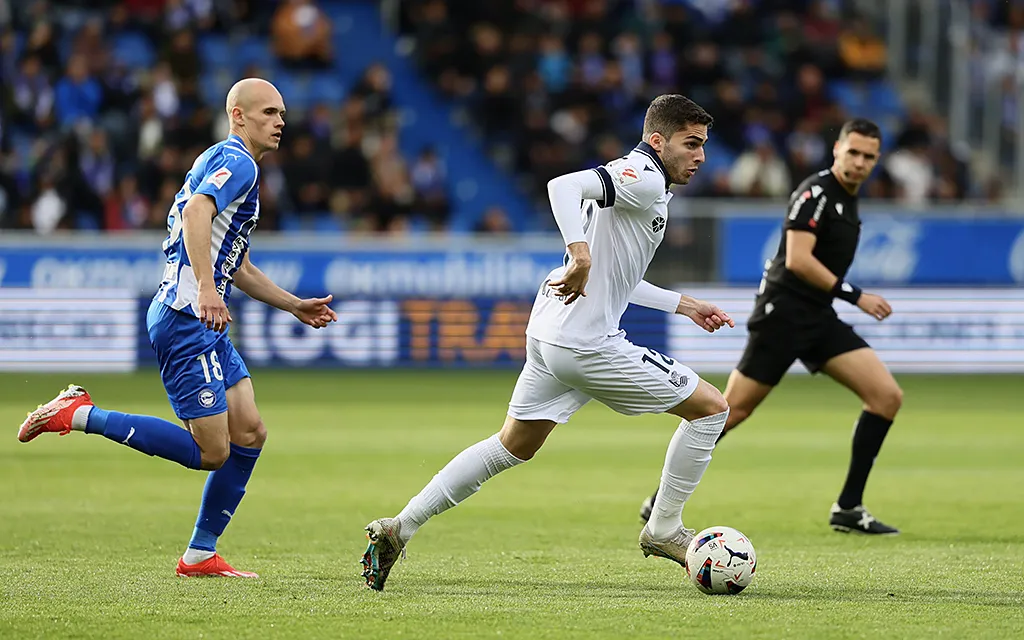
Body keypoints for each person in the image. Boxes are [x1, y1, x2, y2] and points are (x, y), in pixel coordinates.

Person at [360, 95, 736, 591]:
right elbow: (561, 185)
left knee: (511, 445)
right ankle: (664, 529)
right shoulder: (642, 177)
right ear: (658, 140)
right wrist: (579, 255)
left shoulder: (643, 182)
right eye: (691, 144)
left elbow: (617, 276)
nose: (701, 156)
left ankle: (400, 526)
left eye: (703, 144)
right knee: (711, 409)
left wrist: (682, 304)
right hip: (586, 344)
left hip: (549, 334)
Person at [17, 78, 338, 577]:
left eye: (282, 114)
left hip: (200, 318)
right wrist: (208, 288)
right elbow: (195, 212)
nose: (280, 122)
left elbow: (238, 265)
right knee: (212, 451)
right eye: (269, 112)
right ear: (238, 115)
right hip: (188, 318)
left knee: (249, 431)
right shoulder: (240, 163)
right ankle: (79, 414)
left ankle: (200, 554)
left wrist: (293, 305)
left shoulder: (220, 161)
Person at [639, 118, 902, 535]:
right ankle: (660, 499)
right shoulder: (816, 193)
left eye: (868, 156)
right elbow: (798, 260)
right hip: (783, 315)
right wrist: (857, 296)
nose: (859, 162)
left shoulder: (848, 199)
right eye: (853, 152)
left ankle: (849, 508)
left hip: (818, 317)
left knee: (886, 397)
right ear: (837, 149)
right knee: (731, 410)